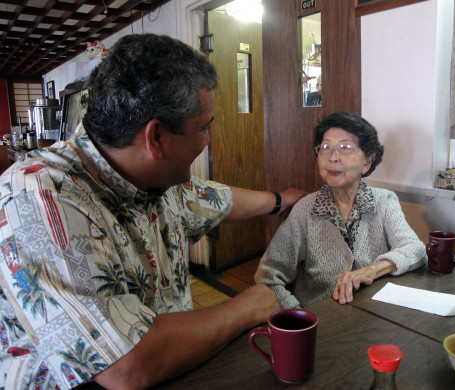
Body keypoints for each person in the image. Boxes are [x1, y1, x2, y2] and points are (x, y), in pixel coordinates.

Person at [0, 34, 306, 390]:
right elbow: (125, 366)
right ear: (156, 138)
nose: (208, 139)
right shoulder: (39, 196)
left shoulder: (151, 177)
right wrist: (248, 306)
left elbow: (211, 199)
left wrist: (279, 200)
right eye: (203, 127)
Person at [255, 111, 427, 309]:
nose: (332, 158)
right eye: (325, 148)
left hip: (377, 318)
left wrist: (372, 270)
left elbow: (416, 249)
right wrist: (298, 316)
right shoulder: (305, 210)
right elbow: (267, 275)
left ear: (367, 161)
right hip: (323, 323)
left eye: (345, 148)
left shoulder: (384, 201)